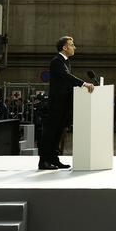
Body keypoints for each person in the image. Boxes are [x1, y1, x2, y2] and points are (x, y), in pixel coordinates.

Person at [39, 36, 95, 170]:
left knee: (58, 132)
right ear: (64, 47)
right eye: (72, 45)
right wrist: (84, 84)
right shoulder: (57, 61)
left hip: (64, 103)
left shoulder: (66, 62)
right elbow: (66, 76)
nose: (74, 47)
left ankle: (54, 158)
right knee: (50, 133)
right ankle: (44, 161)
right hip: (56, 103)